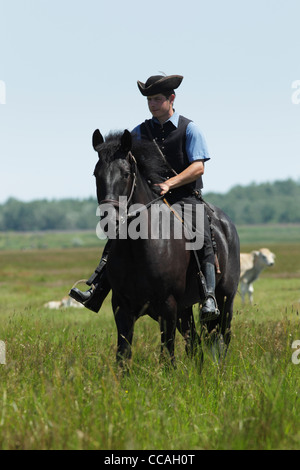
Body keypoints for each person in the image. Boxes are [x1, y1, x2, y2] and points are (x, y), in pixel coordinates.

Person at [69, 74, 219, 320]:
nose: (152, 104)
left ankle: (209, 296)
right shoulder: (138, 132)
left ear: (171, 99)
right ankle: (97, 288)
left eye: (157, 99)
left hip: (184, 197)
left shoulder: (190, 129)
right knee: (119, 232)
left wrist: (169, 183)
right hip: (150, 200)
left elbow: (198, 168)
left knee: (201, 233)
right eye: (149, 99)